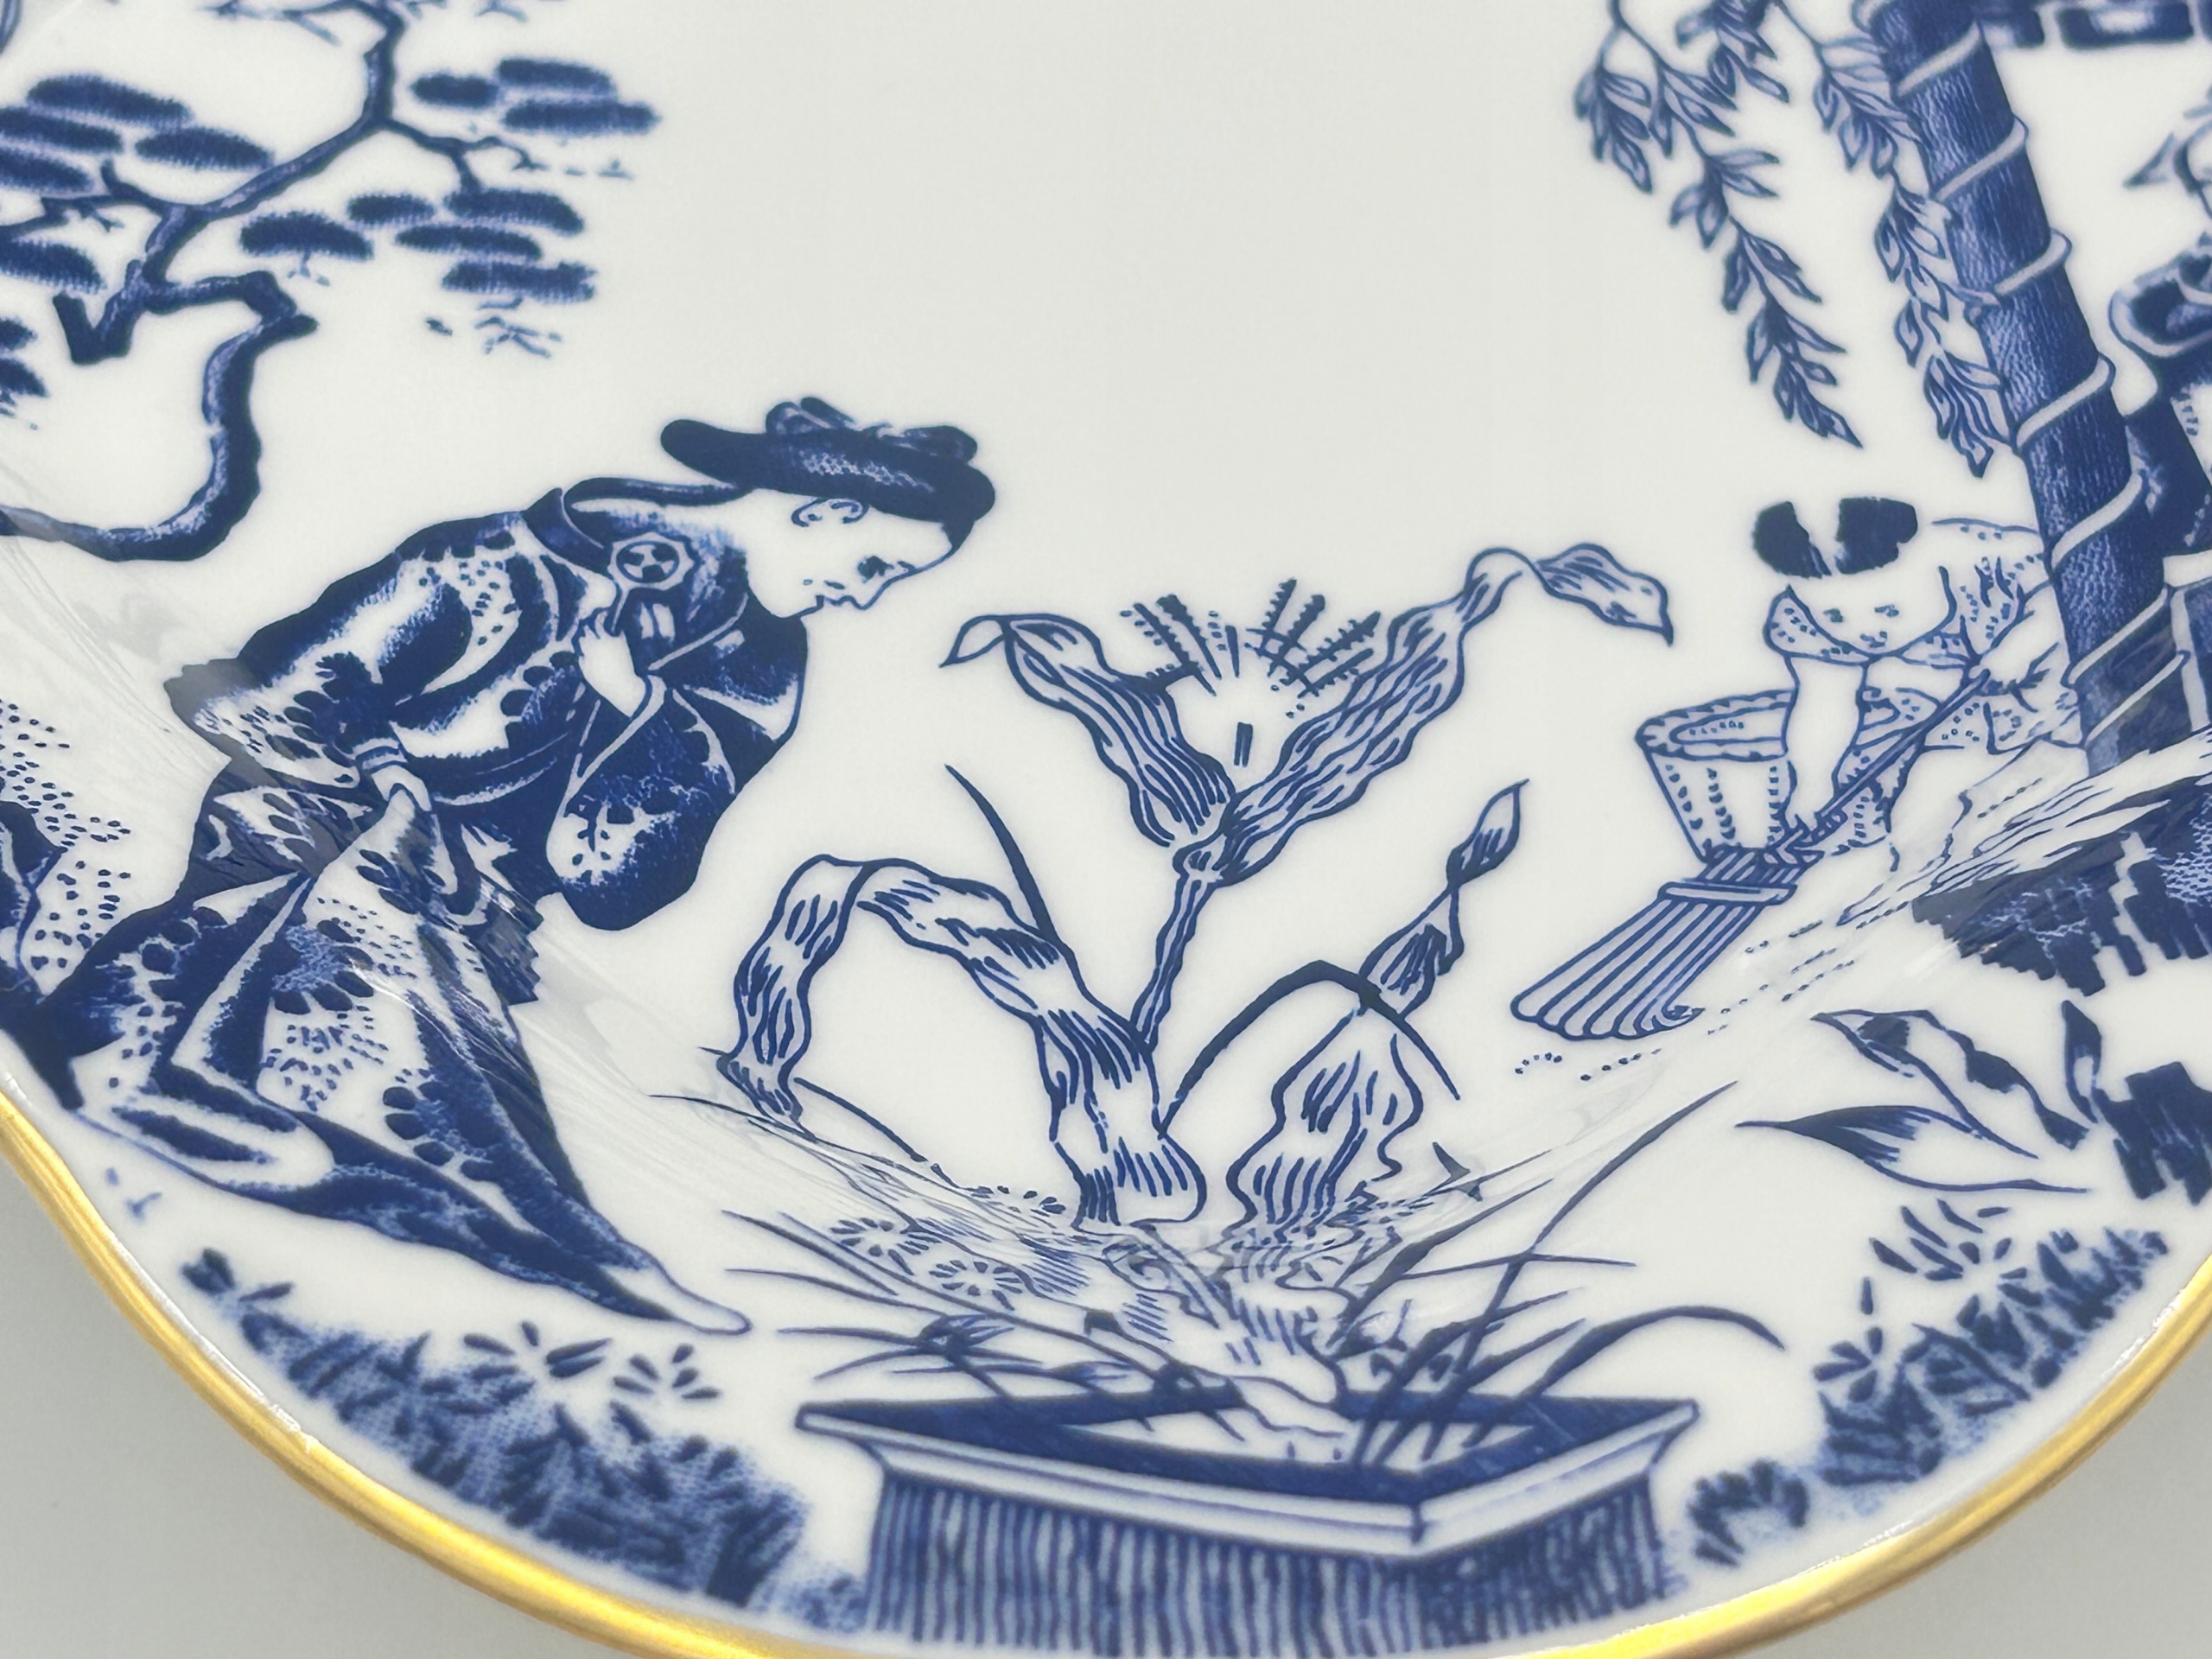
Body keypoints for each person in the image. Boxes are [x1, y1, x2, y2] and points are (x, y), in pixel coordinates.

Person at [14, 398, 994, 1327]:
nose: (863, 596)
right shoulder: (506, 558)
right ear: (824, 512)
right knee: (347, 916)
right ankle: (487, 1221)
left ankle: (522, 1233)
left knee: (417, 965)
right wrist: (392, 785)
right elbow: (302, 684)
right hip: (308, 825)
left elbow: (626, 879)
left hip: (473, 906)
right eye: (875, 566)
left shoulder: (758, 670)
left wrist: (636, 706)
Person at [1753, 494, 2077, 855]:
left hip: (2058, 681)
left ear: (1926, 560)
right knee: (1921, 799)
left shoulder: (1993, 561)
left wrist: (2021, 645)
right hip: (1964, 709)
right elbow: (1824, 703)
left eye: (1887, 610)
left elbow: (2064, 597)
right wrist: (1812, 785)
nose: (1866, 632)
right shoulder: (1803, 621)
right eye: (1835, 617)